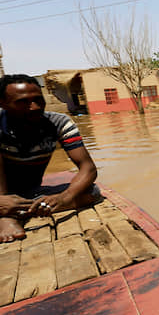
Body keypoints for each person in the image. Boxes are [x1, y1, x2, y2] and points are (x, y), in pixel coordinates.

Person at [0, 74, 98, 243]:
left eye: (39, 99)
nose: (35, 107)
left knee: (92, 192)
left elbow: (88, 168)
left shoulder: (59, 123)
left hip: (30, 193)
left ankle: (16, 211)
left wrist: (64, 198)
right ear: (3, 104)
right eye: (23, 102)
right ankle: (6, 214)